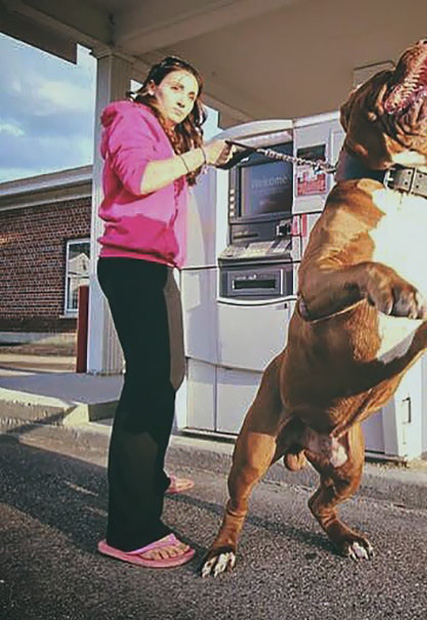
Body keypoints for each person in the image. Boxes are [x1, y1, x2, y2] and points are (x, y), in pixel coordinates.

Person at [95, 56, 237, 568]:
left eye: (192, 94)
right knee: (150, 383)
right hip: (130, 266)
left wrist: (199, 157)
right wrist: (198, 156)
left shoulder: (166, 135)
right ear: (151, 88)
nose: (184, 98)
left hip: (156, 268)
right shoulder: (130, 119)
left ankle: (147, 474)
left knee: (169, 376)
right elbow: (136, 178)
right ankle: (130, 531)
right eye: (176, 87)